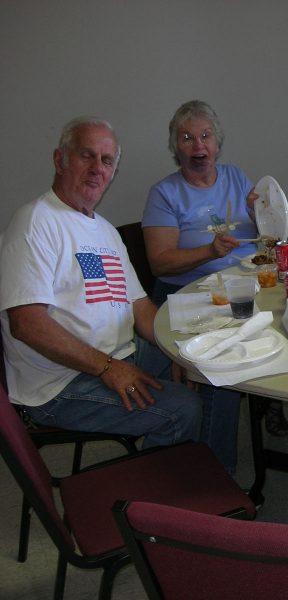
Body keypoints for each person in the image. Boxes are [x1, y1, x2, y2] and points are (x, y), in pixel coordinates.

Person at [0, 117, 203, 459]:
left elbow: (140, 307)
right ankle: (151, 507)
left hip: (118, 352)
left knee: (203, 366)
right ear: (59, 159)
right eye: (86, 155)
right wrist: (108, 368)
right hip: (60, 384)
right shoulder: (35, 223)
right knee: (182, 407)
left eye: (106, 161)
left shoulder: (105, 230)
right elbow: (27, 324)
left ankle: (210, 470)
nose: (97, 168)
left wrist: (177, 350)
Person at [142, 100, 288, 439]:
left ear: (217, 143)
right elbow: (159, 262)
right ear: (175, 147)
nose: (198, 145)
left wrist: (261, 215)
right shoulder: (164, 193)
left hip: (244, 285)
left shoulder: (236, 176)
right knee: (221, 372)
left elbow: (265, 234)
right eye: (187, 138)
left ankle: (273, 391)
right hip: (188, 293)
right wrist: (209, 251)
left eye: (205, 136)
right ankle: (220, 470)